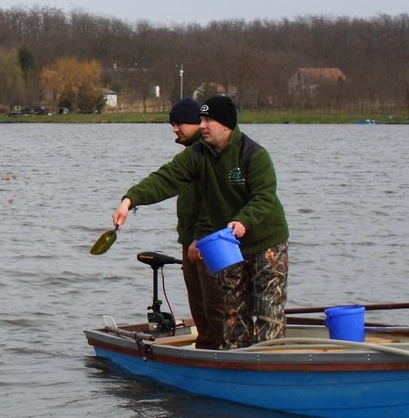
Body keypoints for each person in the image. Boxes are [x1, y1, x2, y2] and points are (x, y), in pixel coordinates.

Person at [111, 96, 289, 349]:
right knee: (231, 314)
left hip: (265, 243)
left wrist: (242, 220)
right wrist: (129, 200)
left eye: (208, 120)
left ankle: (270, 364)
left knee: (266, 312)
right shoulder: (197, 155)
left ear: (226, 125)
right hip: (228, 246)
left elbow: (264, 197)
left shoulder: (253, 155)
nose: (202, 125)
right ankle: (235, 365)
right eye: (201, 120)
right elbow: (165, 178)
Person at [167, 98, 225, 350]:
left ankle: (220, 351)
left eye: (179, 123)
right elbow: (163, 181)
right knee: (199, 304)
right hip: (190, 241)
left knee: (213, 303)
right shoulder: (189, 157)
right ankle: (206, 347)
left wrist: (199, 238)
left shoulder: (209, 156)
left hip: (206, 243)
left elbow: (213, 203)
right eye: (172, 124)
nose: (175, 129)